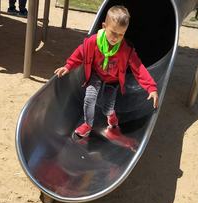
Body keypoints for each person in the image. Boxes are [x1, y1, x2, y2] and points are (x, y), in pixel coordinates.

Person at [54, 6, 159, 138]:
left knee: (107, 108)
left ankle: (111, 116)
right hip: (96, 75)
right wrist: (68, 66)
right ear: (104, 26)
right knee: (89, 98)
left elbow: (138, 68)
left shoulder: (125, 50)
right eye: (113, 32)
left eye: (121, 34)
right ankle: (87, 125)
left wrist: (151, 87)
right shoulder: (93, 42)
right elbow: (80, 53)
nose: (116, 38)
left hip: (112, 80)